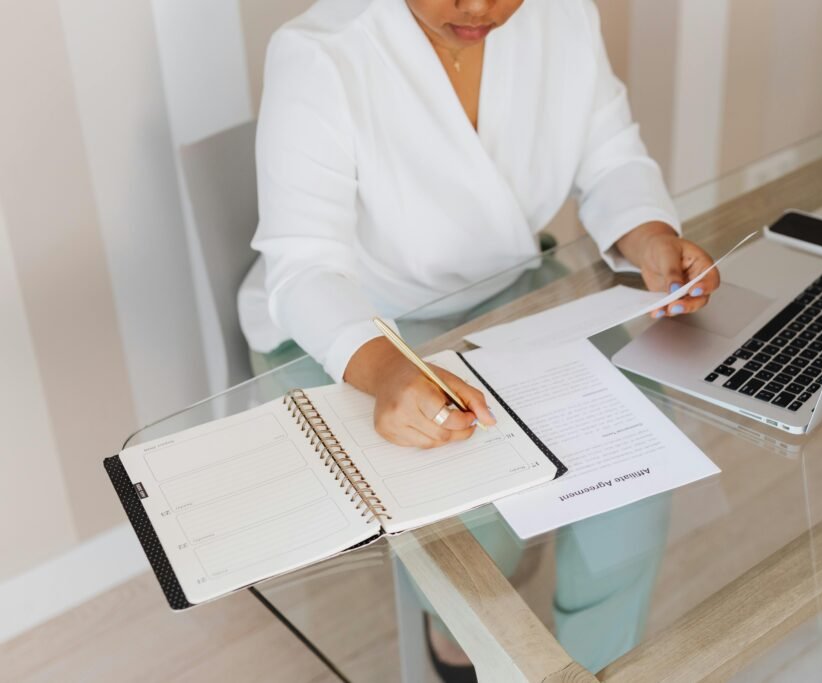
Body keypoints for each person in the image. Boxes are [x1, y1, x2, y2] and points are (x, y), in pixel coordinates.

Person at [238, 0, 721, 677]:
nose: (478, 8)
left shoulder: (565, 17)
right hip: (355, 332)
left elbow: (611, 161)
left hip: (509, 300)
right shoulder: (321, 54)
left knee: (638, 443)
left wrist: (651, 237)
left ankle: (601, 663)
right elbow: (305, 268)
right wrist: (387, 373)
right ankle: (459, 638)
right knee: (468, 506)